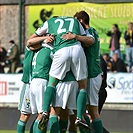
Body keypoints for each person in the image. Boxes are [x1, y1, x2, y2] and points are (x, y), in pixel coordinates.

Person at [28, 16, 92, 130]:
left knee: (51, 84)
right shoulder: (75, 21)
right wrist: (75, 36)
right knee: (82, 86)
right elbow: (89, 40)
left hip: (60, 54)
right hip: (77, 51)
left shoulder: (50, 24)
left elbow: (30, 41)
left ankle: (44, 113)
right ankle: (79, 118)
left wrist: (45, 38)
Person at [62, 11, 103, 133]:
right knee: (84, 110)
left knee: (92, 111)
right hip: (91, 74)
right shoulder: (91, 31)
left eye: (76, 22)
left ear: (80, 21)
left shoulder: (89, 32)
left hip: (92, 75)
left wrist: (74, 36)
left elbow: (90, 41)